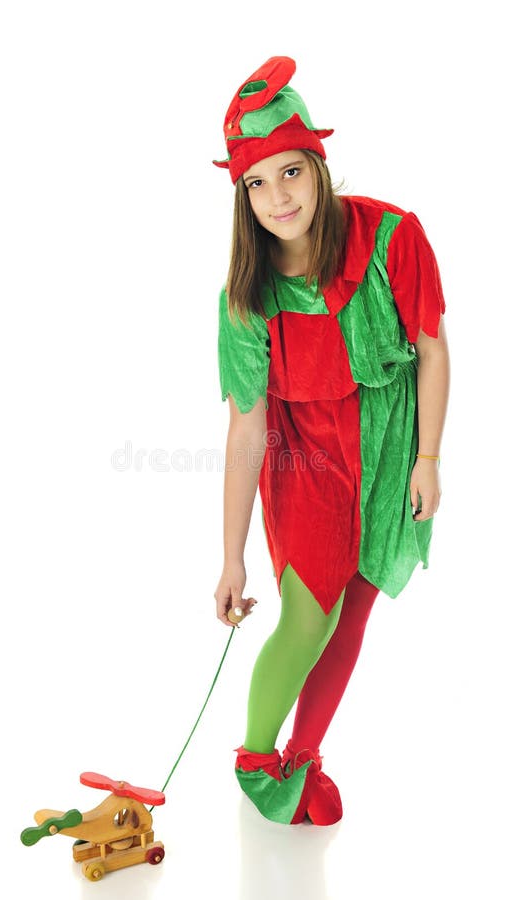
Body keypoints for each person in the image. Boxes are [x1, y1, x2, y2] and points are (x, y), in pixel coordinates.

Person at [212, 56, 450, 826]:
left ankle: (305, 757)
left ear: (317, 166)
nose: (277, 198)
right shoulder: (247, 296)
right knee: (308, 615)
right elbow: (247, 427)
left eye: (290, 173)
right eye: (256, 183)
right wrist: (230, 556)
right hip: (304, 462)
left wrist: (427, 459)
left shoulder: (391, 237)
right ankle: (256, 761)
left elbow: (433, 348)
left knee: (352, 616)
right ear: (241, 194)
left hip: (385, 454)